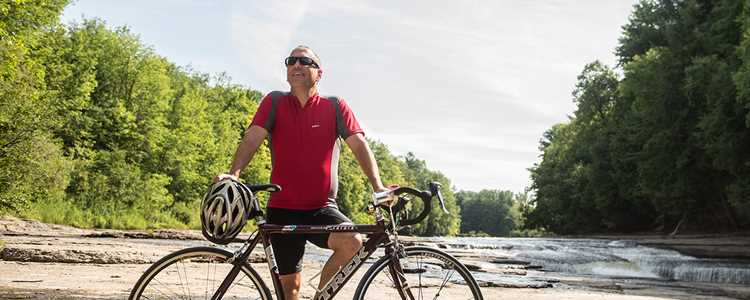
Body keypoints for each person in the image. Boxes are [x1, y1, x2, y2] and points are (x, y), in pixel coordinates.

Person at [214, 45, 389, 300]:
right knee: (289, 291)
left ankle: (320, 297)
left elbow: (359, 145)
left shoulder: (335, 106)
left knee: (353, 242)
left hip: (322, 209)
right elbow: (252, 139)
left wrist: (378, 186)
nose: (296, 65)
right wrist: (235, 174)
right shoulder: (274, 101)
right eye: (291, 61)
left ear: (319, 73)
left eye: (305, 61)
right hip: (283, 209)